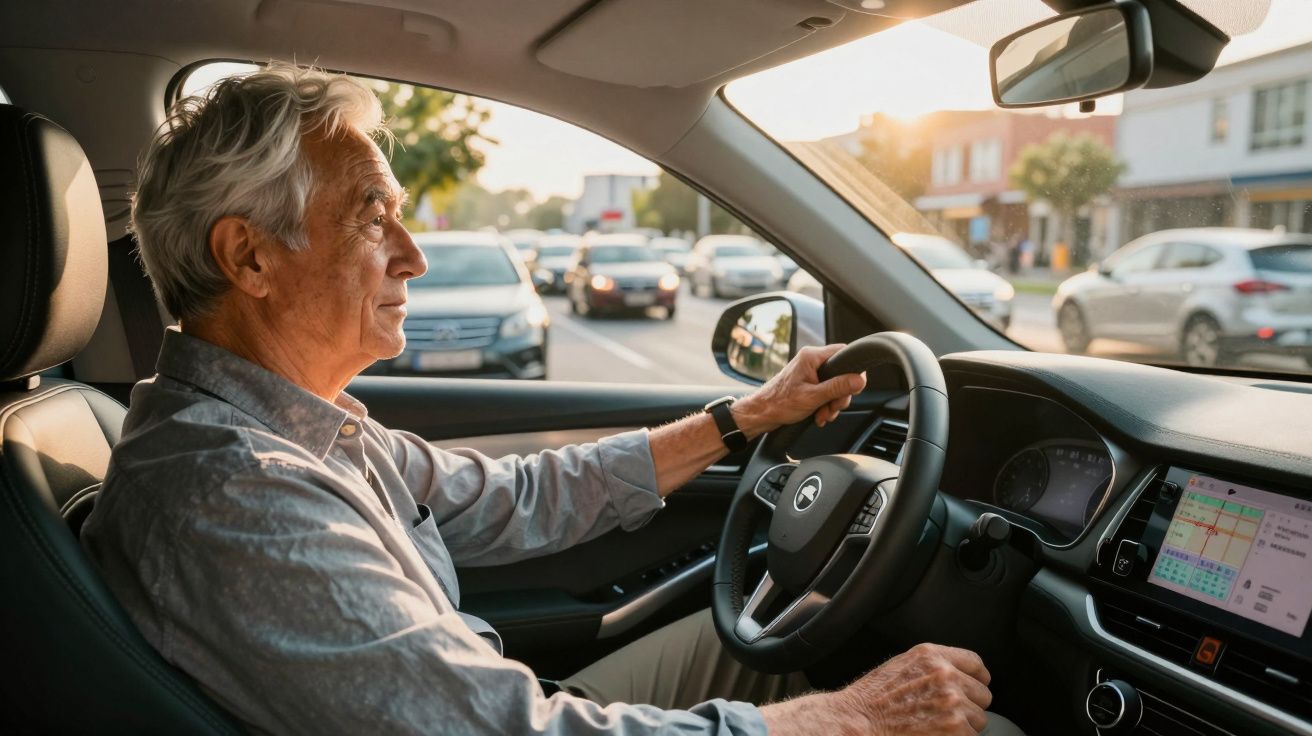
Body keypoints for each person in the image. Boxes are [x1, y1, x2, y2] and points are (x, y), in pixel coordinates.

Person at [82, 64, 1021, 735]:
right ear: (248, 256)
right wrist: (852, 721)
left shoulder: (293, 429)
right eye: (373, 216)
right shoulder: (234, 492)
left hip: (487, 698)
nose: (412, 254)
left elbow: (515, 497)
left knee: (769, 637)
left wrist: (742, 420)